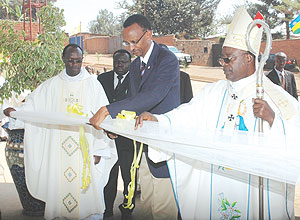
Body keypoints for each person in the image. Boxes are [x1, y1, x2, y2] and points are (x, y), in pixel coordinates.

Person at [135, 7, 300, 219]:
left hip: (254, 190)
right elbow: (189, 114)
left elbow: (295, 142)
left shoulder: (277, 98)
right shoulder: (216, 91)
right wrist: (159, 120)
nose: (222, 64)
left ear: (249, 59)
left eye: (228, 59)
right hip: (218, 186)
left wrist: (272, 120)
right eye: (222, 59)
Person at [4, 44, 117, 220]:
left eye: (78, 61)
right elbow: (33, 108)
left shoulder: (93, 86)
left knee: (88, 201)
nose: (74, 65)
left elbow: (104, 120)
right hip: (57, 154)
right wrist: (15, 113)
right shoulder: (50, 86)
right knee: (59, 197)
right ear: (63, 59)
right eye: (70, 61)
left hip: (85, 151)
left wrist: (99, 150)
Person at [90, 14, 180, 220]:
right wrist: (116, 125)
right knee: (146, 205)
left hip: (165, 148)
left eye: (134, 41)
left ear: (148, 34)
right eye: (126, 42)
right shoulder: (136, 65)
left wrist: (108, 110)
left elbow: (152, 96)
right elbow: (133, 102)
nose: (131, 48)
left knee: (163, 210)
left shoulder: (167, 60)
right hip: (145, 146)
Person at [97, 49, 136, 218]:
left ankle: (127, 209)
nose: (119, 65)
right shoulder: (102, 79)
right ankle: (107, 210)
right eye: (116, 62)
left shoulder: (137, 81)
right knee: (108, 177)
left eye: (123, 62)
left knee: (129, 177)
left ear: (130, 63)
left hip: (128, 139)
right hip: (107, 138)